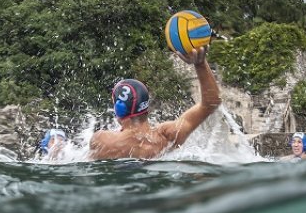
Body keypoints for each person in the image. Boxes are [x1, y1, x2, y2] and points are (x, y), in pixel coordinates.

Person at [89, 45, 220, 160]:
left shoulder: (103, 141)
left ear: (119, 108)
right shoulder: (166, 138)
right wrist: (200, 64)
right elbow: (211, 104)